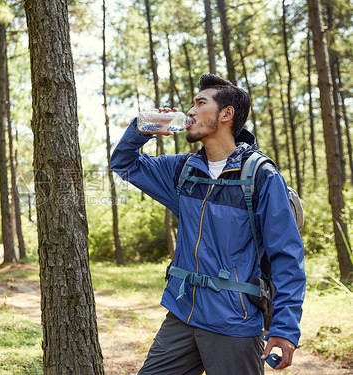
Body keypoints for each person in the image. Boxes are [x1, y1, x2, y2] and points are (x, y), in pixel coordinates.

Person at [110, 74, 306, 375]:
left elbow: (287, 256)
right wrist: (141, 128)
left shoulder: (261, 177)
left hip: (234, 322)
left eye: (200, 103)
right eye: (191, 104)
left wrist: (285, 328)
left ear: (226, 114)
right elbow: (124, 163)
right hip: (182, 314)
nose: (190, 112)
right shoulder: (182, 171)